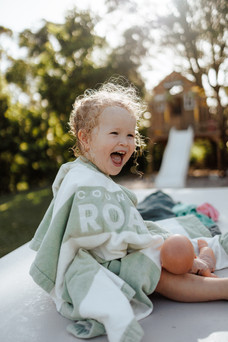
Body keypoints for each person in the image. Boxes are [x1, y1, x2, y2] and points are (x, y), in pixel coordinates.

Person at [29, 79, 228, 342]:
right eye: (115, 134)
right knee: (159, 272)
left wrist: (150, 244)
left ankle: (201, 258)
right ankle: (218, 282)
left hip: (119, 255)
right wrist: (151, 246)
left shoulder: (96, 178)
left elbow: (125, 229)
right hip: (103, 262)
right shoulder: (82, 180)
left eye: (131, 135)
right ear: (85, 139)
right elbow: (89, 238)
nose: (125, 141)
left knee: (169, 256)